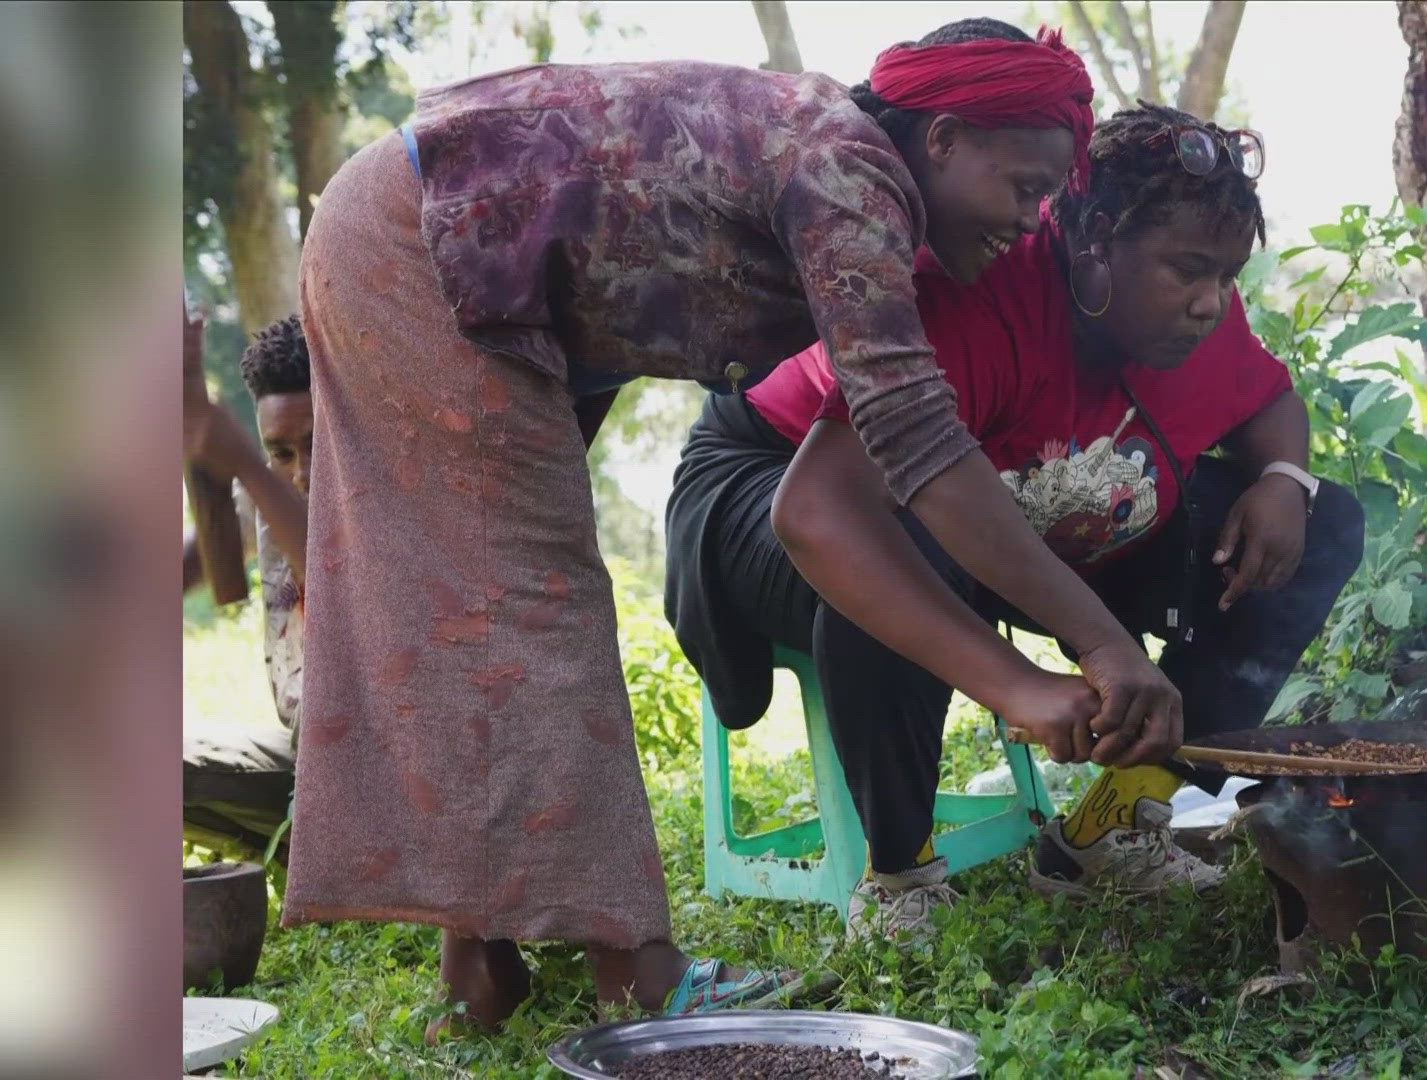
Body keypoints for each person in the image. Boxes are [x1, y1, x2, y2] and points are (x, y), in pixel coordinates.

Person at [288, 17, 1178, 1033]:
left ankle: (476, 968)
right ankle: (640, 975)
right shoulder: (853, 171)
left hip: (431, 248)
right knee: (533, 610)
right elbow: (914, 435)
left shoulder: (834, 156)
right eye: (1024, 187)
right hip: (420, 245)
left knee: (477, 614)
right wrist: (1083, 649)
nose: (1031, 222)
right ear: (944, 140)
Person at [665, 105, 1367, 937]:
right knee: (910, 538)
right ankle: (899, 874)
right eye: (1188, 270)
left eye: (1228, 277)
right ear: (1097, 237)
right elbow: (826, 512)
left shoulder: (1197, 310)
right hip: (774, 476)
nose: (1212, 303)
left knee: (1324, 521)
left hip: (1004, 505)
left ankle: (1113, 822)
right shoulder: (974, 292)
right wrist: (1022, 686)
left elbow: (1268, 398)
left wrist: (1284, 479)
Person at [181, 310, 311, 858]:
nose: (301, 472)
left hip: (397, 787)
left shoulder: (393, 502)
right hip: (310, 772)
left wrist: (251, 468)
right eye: (281, 452)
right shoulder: (265, 493)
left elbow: (347, 596)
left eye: (317, 445)